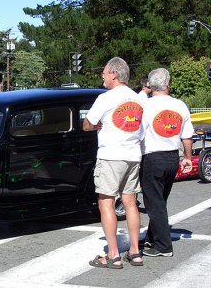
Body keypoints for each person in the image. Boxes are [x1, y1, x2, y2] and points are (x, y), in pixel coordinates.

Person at [83, 57, 144, 269]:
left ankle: (113, 254)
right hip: (133, 155)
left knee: (106, 203)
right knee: (130, 203)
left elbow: (87, 124)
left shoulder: (106, 98)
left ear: (114, 74)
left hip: (110, 156)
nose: (102, 75)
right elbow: (141, 129)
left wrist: (98, 125)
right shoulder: (138, 99)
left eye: (104, 72)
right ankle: (135, 252)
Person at [140, 68, 194, 257]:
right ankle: (151, 236)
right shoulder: (180, 105)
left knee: (154, 203)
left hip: (152, 156)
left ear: (150, 85)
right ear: (168, 84)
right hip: (172, 155)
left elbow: (138, 134)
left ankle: (163, 245)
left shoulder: (145, 106)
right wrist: (187, 157)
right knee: (160, 200)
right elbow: (187, 136)